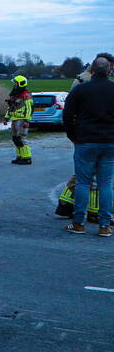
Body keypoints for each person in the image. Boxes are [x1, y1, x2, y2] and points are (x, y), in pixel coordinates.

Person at [62, 56, 114, 236]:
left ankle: (78, 223)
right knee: (106, 184)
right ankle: (105, 226)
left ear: (92, 70)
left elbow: (67, 115)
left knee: (83, 183)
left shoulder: (81, 90)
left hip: (85, 141)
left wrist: (72, 135)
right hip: (109, 142)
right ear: (109, 71)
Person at [4, 75, 34, 165]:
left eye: (15, 84)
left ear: (20, 84)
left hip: (22, 120)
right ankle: (19, 157)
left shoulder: (26, 95)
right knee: (15, 139)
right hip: (15, 119)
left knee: (21, 138)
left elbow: (30, 109)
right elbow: (11, 108)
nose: (14, 85)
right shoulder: (14, 95)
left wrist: (27, 121)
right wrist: (7, 117)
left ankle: (27, 158)